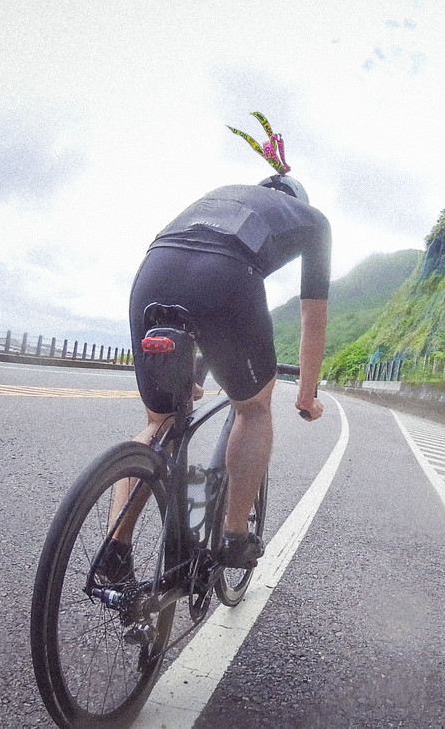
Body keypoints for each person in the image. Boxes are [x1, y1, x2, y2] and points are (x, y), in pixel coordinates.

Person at [109, 113, 331, 574]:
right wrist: (307, 394)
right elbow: (313, 315)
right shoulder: (312, 220)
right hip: (226, 277)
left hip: (155, 268)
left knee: (159, 422)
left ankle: (115, 549)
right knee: (253, 408)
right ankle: (233, 536)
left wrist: (188, 373)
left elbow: (193, 280)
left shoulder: (223, 195)